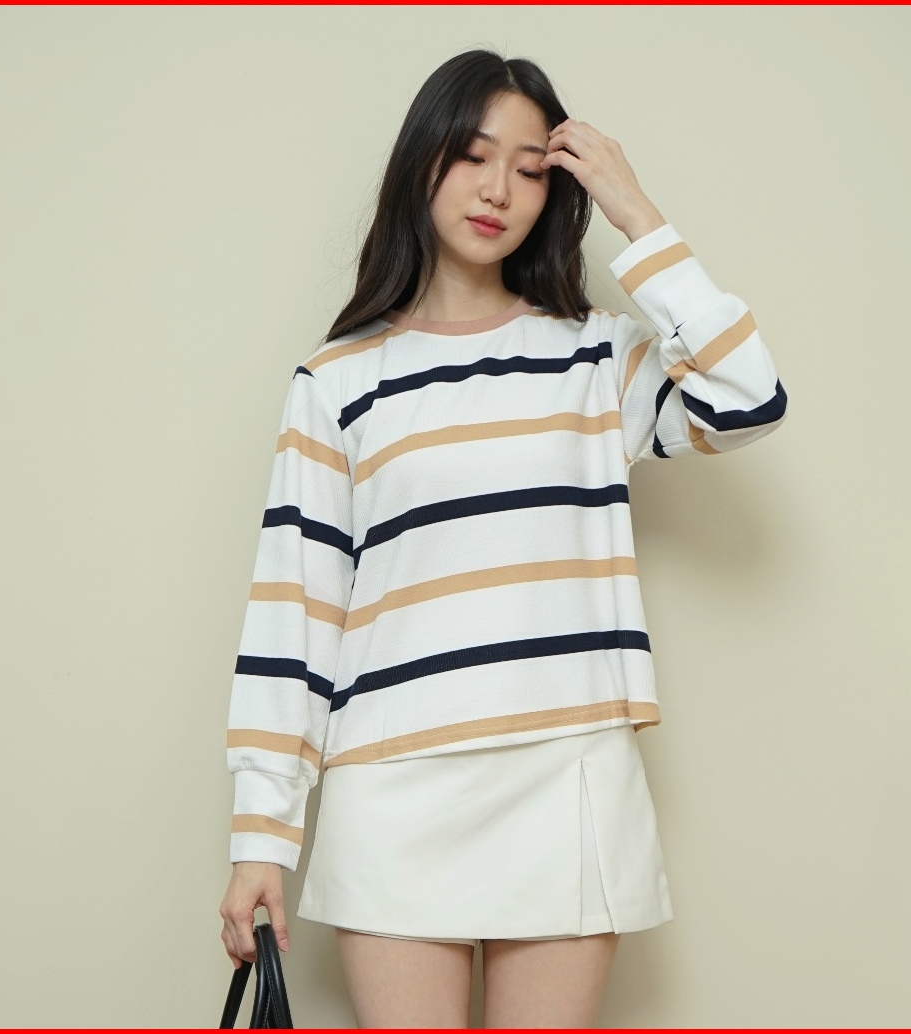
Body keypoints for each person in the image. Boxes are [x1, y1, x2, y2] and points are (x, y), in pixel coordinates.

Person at [220, 48, 787, 1028]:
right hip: (392, 781)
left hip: (566, 773)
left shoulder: (594, 357)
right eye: (474, 156)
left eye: (530, 169)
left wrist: (636, 211)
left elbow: (749, 398)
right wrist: (259, 836)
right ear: (423, 161)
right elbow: (292, 618)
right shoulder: (337, 381)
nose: (498, 191)